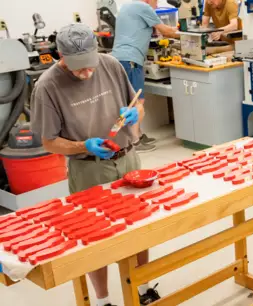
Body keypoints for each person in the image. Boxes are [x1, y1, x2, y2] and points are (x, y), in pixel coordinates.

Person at [31, 24, 159, 306]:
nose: (87, 73)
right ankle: (102, 301)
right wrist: (82, 146)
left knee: (139, 228)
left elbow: (138, 104)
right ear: (60, 55)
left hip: (128, 159)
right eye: (78, 67)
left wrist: (135, 113)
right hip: (88, 168)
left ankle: (143, 286)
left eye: (89, 64)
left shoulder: (110, 64)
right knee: (95, 237)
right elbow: (49, 141)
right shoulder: (47, 87)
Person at [111, 0, 179, 153]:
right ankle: (134, 142)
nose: (157, 4)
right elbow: (166, 31)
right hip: (131, 59)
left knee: (127, 101)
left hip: (119, 58)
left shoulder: (126, 7)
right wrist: (188, 34)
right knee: (137, 102)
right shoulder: (144, 7)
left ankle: (136, 135)